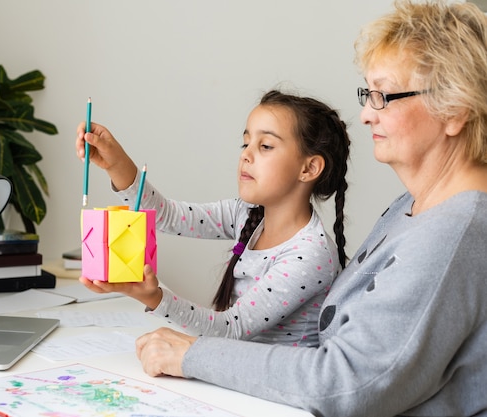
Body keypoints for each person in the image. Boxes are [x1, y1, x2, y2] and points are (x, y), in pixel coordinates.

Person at [127, 1, 487, 416]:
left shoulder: (452, 235)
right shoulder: (414, 205)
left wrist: (192, 355)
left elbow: (347, 384)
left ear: (454, 110)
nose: (367, 114)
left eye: (384, 95)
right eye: (367, 94)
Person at [75, 90, 351, 346]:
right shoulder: (247, 215)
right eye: (245, 143)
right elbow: (168, 216)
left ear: (309, 167)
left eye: (265, 146)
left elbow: (231, 327)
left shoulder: (310, 254)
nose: (246, 154)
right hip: (234, 376)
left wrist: (153, 297)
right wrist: (116, 162)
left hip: (273, 393)